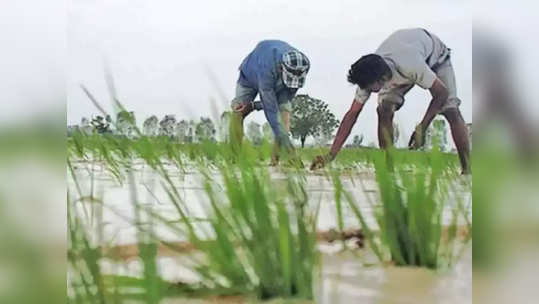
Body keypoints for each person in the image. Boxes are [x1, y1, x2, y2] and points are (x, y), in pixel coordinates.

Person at [311, 28, 471, 174]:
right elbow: (352, 115)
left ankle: (467, 168)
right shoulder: (369, 77)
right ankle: (389, 168)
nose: (368, 92)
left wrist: (422, 128)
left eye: (371, 88)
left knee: (451, 110)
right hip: (401, 64)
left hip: (436, 59)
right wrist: (330, 155)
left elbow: (441, 93)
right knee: (383, 109)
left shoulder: (410, 65)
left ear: (381, 80)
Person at [229, 40, 310, 164]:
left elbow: (285, 99)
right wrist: (291, 149)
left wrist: (254, 106)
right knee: (238, 111)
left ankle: (275, 160)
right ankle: (234, 158)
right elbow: (271, 110)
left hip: (280, 81)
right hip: (249, 77)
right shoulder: (267, 69)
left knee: (284, 115)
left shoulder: (302, 66)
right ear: (281, 68)